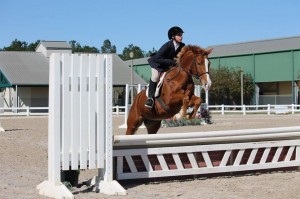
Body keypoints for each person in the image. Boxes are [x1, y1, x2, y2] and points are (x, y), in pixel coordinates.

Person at [145, 26, 185, 108]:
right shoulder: (167, 45)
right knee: (155, 76)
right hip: (157, 63)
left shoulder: (182, 45)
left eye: (181, 35)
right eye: (179, 35)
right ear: (173, 36)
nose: (181, 37)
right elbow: (157, 58)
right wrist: (171, 62)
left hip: (167, 64)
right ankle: (150, 98)